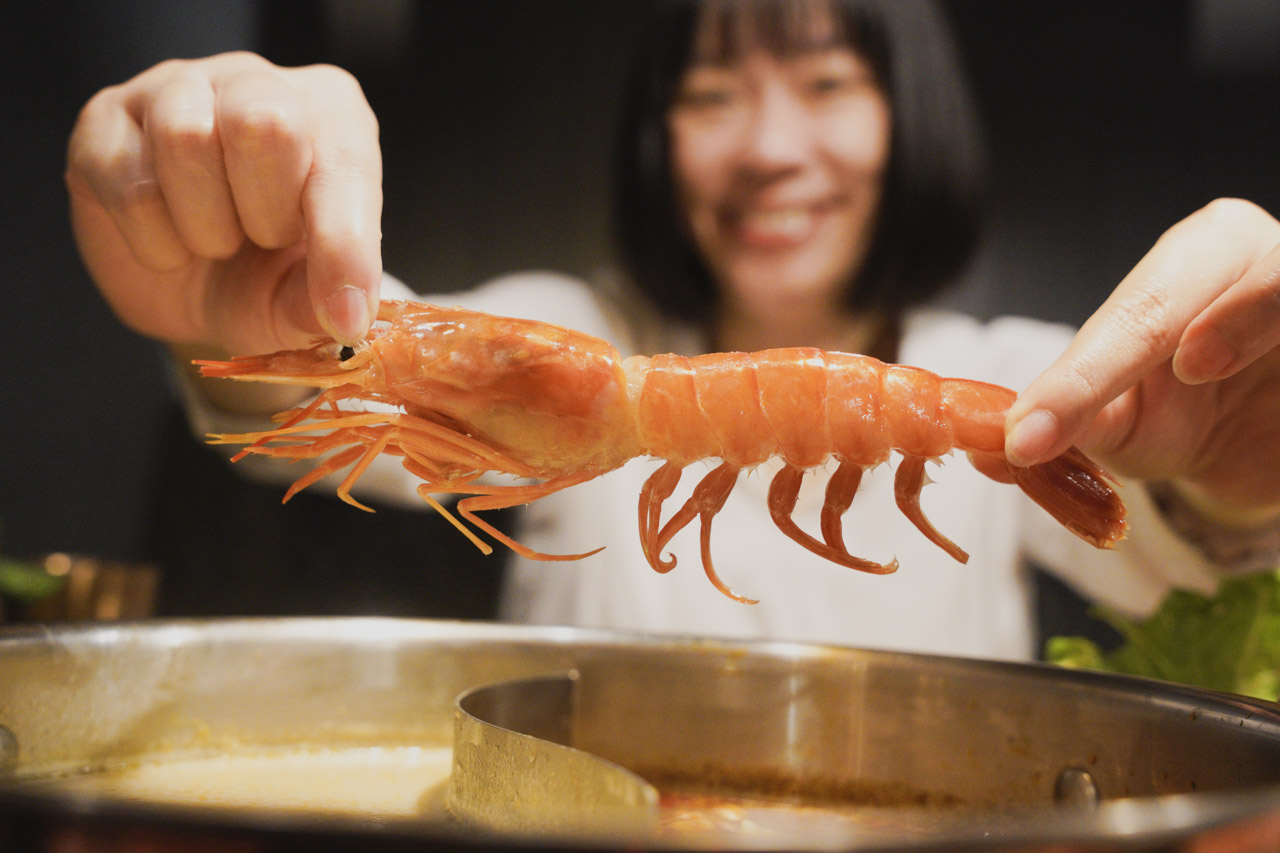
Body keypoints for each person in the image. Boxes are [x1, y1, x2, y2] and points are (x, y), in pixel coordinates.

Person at [66, 1, 1280, 660]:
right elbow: (312, 418)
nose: (765, 147)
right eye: (707, 94)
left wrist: (1234, 474)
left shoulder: (1011, 376)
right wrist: (235, 300)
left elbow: (1187, 538)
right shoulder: (567, 323)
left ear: (910, 121)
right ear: (660, 145)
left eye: (824, 83)